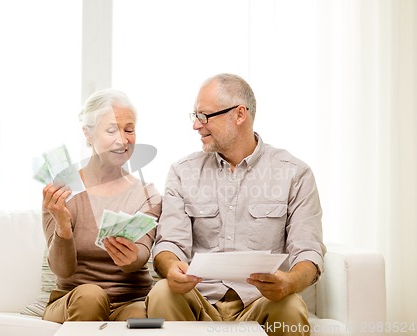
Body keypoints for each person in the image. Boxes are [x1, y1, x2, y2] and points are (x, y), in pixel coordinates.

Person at [146, 73, 326, 336]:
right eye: (195, 116)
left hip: (259, 301)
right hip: (198, 300)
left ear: (239, 115)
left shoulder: (295, 174)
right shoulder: (182, 172)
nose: (196, 125)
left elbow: (308, 252)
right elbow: (168, 244)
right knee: (163, 292)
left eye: (204, 116)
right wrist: (171, 267)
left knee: (290, 306)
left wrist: (288, 282)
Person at [41, 89, 162, 322]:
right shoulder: (62, 190)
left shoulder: (147, 194)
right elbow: (62, 270)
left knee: (144, 318)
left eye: (129, 130)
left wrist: (131, 257)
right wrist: (63, 227)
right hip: (73, 299)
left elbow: (141, 256)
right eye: (111, 130)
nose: (122, 140)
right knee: (90, 296)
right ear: (88, 134)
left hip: (130, 300)